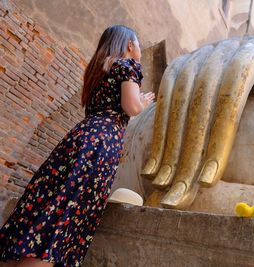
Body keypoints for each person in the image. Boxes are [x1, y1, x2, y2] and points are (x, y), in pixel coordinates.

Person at [0, 25, 155, 267]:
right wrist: (143, 103)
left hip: (78, 138)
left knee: (47, 207)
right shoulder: (128, 66)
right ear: (129, 46)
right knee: (64, 219)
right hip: (101, 145)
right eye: (138, 45)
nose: (140, 51)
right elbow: (131, 107)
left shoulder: (98, 72)